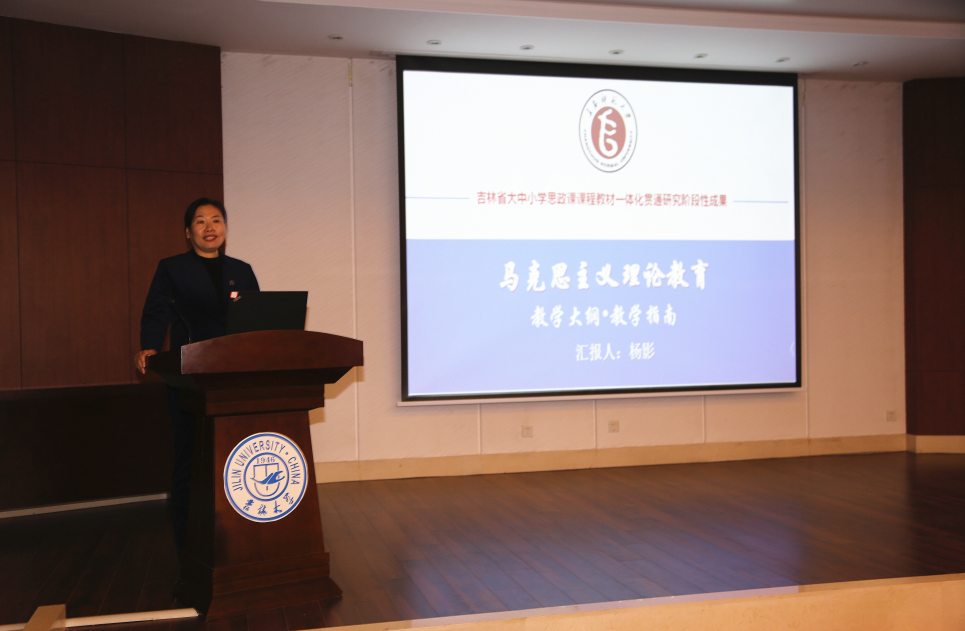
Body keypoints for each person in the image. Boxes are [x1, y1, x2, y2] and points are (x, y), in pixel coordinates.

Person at [135, 198, 259, 555]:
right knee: (190, 459)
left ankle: (236, 536)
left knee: (234, 457)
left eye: (216, 220)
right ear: (188, 232)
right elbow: (155, 312)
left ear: (225, 228)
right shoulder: (172, 268)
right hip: (189, 376)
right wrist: (149, 346)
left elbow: (257, 317)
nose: (209, 227)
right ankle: (188, 545)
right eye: (200, 221)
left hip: (233, 377)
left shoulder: (242, 270)